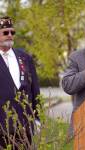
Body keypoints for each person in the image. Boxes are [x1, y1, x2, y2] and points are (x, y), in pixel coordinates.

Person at [0, 16, 40, 149]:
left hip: (25, 126)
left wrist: (37, 118)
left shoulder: (25, 57)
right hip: (2, 127)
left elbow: (35, 89)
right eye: (6, 32)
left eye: (12, 32)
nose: (10, 35)